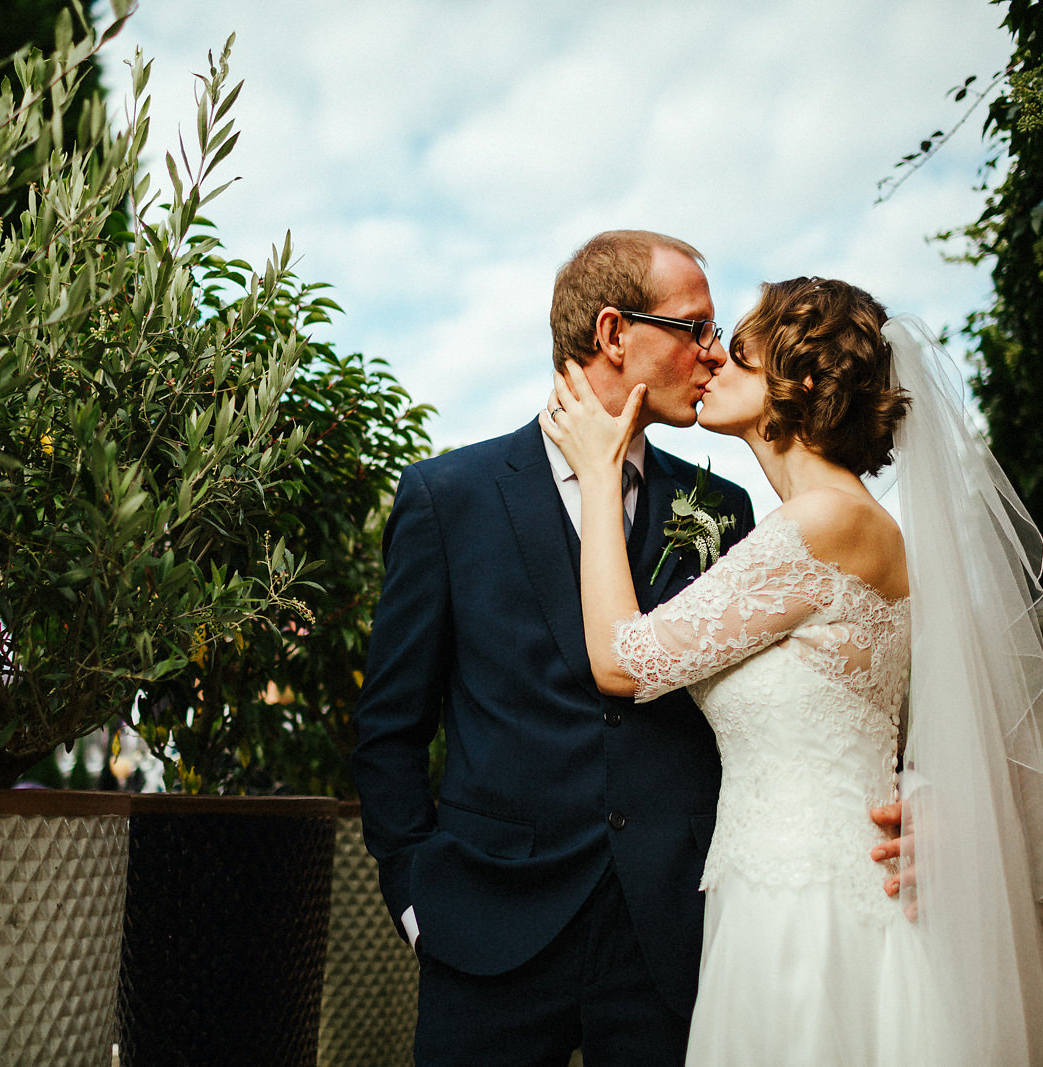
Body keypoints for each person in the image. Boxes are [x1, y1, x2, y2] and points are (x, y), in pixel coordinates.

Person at [350, 234, 901, 1064]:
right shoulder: (448, 498)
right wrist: (416, 894)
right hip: (488, 927)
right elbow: (389, 725)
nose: (712, 355)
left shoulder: (725, 506)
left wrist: (913, 800)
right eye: (695, 327)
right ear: (614, 333)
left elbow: (835, 675)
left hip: (676, 934)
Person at [541, 276, 1043, 1064]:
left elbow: (622, 662)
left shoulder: (825, 522)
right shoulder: (838, 526)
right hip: (782, 890)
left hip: (808, 911)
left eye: (736, 353)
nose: (710, 365)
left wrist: (598, 476)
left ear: (797, 382)